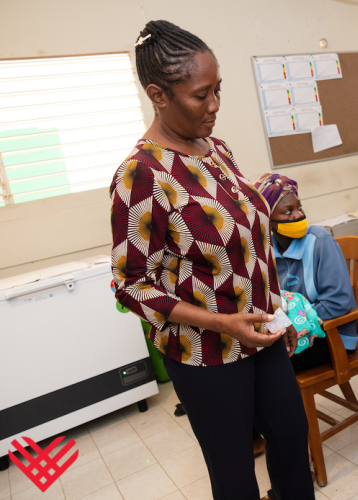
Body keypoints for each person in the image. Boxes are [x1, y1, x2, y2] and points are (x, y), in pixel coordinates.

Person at [110, 21, 314, 500]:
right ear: (158, 95)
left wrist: (278, 312)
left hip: (262, 334)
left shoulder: (216, 151)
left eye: (218, 90)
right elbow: (131, 285)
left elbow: (250, 243)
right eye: (201, 95)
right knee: (235, 473)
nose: (216, 105)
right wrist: (223, 325)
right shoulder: (143, 175)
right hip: (207, 355)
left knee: (290, 440)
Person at [254, 173, 358, 372]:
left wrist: (291, 323)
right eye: (288, 211)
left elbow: (338, 303)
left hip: (330, 336)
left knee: (265, 368)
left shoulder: (319, 241)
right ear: (268, 221)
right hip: (292, 334)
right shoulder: (266, 250)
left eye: (299, 207)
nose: (298, 215)